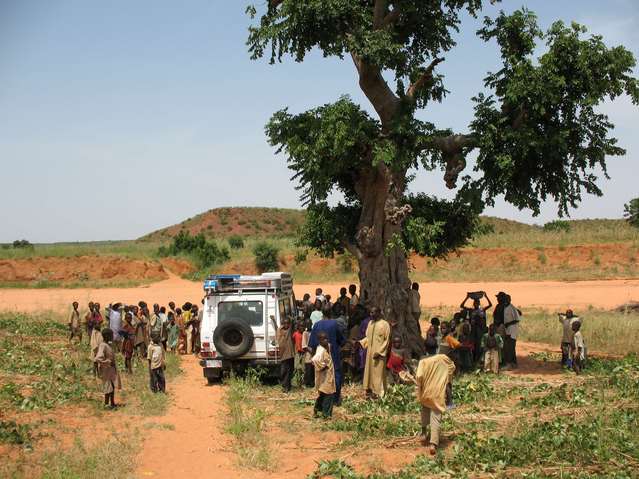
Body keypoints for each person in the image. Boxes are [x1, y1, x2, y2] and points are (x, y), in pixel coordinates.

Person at [415, 354, 455, 455]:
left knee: (425, 410)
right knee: (436, 417)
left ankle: (424, 433)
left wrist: (419, 393)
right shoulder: (442, 358)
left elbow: (419, 376)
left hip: (426, 392)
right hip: (438, 393)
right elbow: (452, 367)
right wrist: (447, 378)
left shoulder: (422, 363)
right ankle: (433, 444)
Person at [310, 306, 345, 404]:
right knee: (335, 376)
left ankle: (323, 399)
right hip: (333, 355)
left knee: (322, 377)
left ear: (322, 313)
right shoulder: (335, 324)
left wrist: (314, 358)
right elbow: (342, 341)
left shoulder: (316, 325)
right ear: (331, 313)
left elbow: (312, 344)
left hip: (320, 356)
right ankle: (335, 399)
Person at [360, 307, 391, 399]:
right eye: (370, 312)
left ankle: (379, 393)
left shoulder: (385, 324)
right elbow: (368, 337)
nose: (371, 314)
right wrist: (360, 343)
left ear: (378, 312)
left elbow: (387, 340)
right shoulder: (370, 323)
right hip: (370, 353)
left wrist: (379, 352)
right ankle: (370, 390)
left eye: (373, 312)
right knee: (369, 372)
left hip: (379, 354)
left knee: (378, 373)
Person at [94, 328, 121, 409]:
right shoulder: (103, 345)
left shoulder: (108, 345)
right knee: (107, 387)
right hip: (106, 370)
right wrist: (107, 362)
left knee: (112, 386)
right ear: (107, 336)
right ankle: (106, 404)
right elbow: (98, 358)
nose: (112, 336)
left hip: (111, 370)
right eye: (111, 335)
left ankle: (112, 403)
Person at [461, 292, 492, 363]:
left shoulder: (482, 310)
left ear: (479, 304)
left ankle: (479, 360)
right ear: (473, 304)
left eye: (477, 303)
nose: (476, 304)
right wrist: (467, 297)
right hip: (473, 330)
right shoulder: (471, 310)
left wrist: (486, 296)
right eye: (475, 303)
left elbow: (490, 304)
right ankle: (474, 359)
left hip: (481, 330)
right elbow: (462, 305)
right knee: (473, 344)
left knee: (480, 345)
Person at [312, 332, 336, 418]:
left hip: (329, 374)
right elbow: (314, 360)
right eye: (323, 339)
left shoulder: (328, 346)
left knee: (323, 393)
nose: (326, 340)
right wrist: (323, 366)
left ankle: (317, 410)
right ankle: (326, 414)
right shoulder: (320, 350)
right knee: (328, 394)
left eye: (326, 338)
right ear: (319, 341)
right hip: (323, 375)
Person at [502, 294, 521, 369]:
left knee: (510, 347)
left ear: (509, 300)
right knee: (511, 348)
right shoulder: (505, 307)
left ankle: (509, 364)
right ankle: (514, 363)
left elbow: (517, 319)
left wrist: (508, 324)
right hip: (508, 330)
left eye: (507, 299)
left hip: (512, 331)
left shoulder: (512, 308)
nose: (505, 301)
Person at [277, 318, 295, 392]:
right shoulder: (280, 331)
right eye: (285, 323)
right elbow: (277, 329)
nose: (286, 325)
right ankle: (285, 385)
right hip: (283, 355)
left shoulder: (289, 331)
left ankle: (287, 387)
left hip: (290, 354)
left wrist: (292, 321)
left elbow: (292, 325)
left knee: (289, 371)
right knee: (283, 371)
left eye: (288, 323)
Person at [301, 320, 315, 387]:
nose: (309, 325)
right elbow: (304, 345)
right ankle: (306, 383)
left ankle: (312, 383)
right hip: (308, 353)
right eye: (307, 324)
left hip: (314, 353)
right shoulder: (305, 333)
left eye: (310, 323)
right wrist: (311, 351)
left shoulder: (313, 332)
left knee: (313, 369)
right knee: (308, 369)